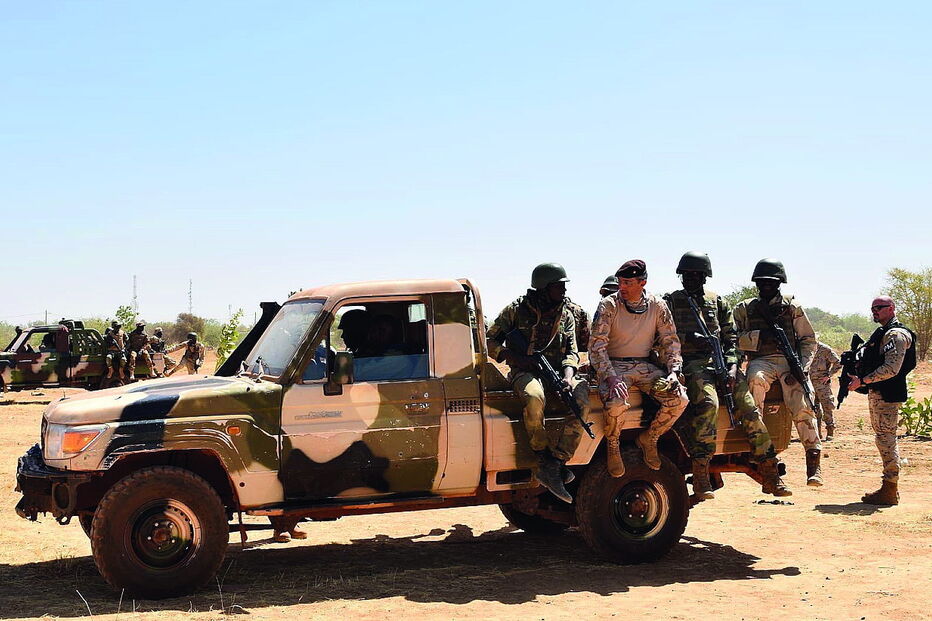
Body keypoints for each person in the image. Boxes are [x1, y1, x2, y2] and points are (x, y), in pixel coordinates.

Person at [664, 252, 790, 501]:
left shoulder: (717, 302)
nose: (690, 279)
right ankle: (701, 474)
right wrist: (689, 340)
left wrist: (733, 366)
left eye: (695, 275)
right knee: (709, 405)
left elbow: (731, 339)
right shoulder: (671, 302)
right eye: (686, 275)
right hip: (691, 365)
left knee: (750, 409)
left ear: (704, 277)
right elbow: (663, 336)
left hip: (722, 365)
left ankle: (770, 472)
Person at [486, 262, 590, 504]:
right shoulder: (516, 310)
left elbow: (572, 351)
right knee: (534, 397)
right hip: (524, 371)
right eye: (558, 286)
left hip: (557, 372)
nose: (564, 291)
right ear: (543, 288)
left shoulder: (566, 314)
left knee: (582, 400)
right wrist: (517, 358)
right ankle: (542, 455)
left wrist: (567, 376)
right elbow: (491, 342)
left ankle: (557, 461)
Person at [589, 259, 688, 477]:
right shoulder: (609, 305)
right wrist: (609, 376)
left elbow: (670, 341)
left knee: (679, 399)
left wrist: (673, 371)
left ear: (642, 282)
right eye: (620, 282)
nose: (622, 287)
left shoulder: (657, 306)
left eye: (627, 283)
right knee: (615, 403)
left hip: (644, 365)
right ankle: (612, 444)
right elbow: (597, 346)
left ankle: (649, 438)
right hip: (614, 365)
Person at [734, 259, 822, 487]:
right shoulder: (745, 309)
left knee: (802, 403)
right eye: (761, 282)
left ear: (779, 283)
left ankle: (814, 463)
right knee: (755, 381)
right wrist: (758, 338)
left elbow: (808, 340)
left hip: (790, 362)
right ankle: (760, 446)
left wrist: (801, 368)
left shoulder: (792, 307)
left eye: (771, 282)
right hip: (761, 361)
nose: (765, 286)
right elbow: (733, 339)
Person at [847, 296, 916, 505]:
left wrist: (863, 380)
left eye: (879, 308)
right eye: (873, 308)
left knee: (886, 439)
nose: (875, 311)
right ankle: (889, 488)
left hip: (887, 394)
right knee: (883, 438)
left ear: (891, 308)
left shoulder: (896, 335)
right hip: (880, 392)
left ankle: (889, 488)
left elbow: (891, 368)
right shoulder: (884, 333)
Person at [810, 336, 842, 440]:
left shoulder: (825, 349)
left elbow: (838, 363)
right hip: (809, 383)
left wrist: (829, 375)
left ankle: (830, 431)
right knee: (813, 408)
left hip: (822, 384)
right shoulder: (805, 349)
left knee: (827, 406)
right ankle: (817, 433)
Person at [101, 321, 127, 388]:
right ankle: (111, 370)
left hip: (121, 351)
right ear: (113, 327)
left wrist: (124, 349)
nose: (118, 328)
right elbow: (106, 342)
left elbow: (127, 341)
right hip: (112, 351)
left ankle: (121, 370)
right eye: (116, 326)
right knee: (108, 358)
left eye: (119, 326)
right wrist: (111, 343)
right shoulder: (110, 334)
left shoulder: (122, 332)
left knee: (123, 360)